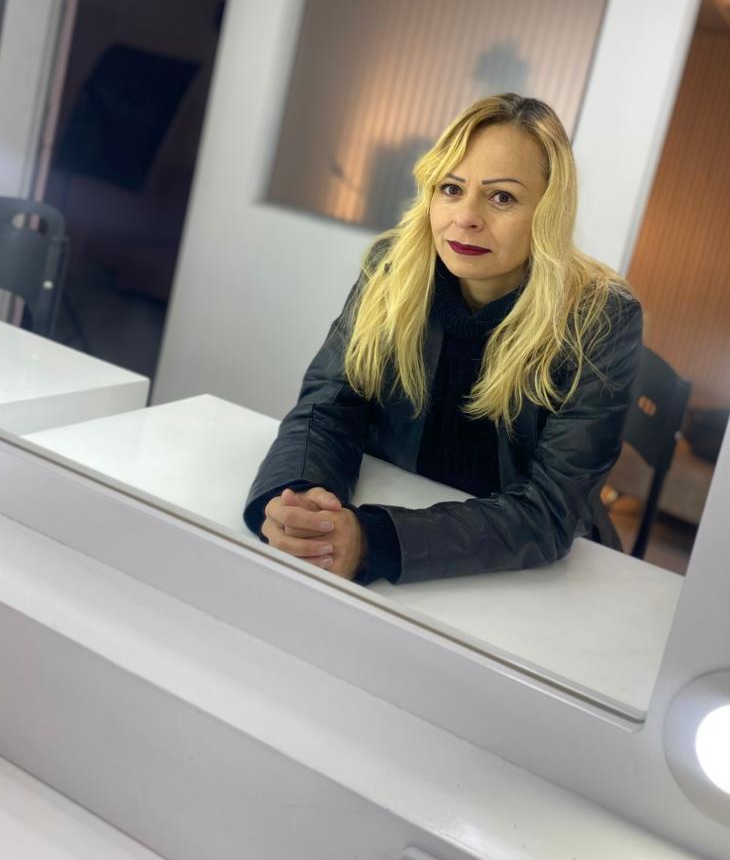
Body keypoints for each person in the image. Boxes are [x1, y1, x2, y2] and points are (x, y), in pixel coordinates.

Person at [244, 94, 643, 585]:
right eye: (451, 188)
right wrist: (302, 500)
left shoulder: (602, 318)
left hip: (524, 578)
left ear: (549, 211)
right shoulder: (394, 268)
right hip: (400, 511)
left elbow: (551, 508)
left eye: (502, 197)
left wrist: (372, 542)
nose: (466, 217)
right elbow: (329, 405)